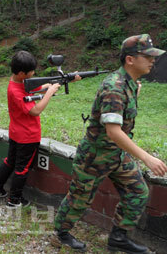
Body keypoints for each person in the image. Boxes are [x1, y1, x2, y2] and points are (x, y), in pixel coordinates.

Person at [53, 34, 167, 253]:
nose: (153, 60)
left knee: (138, 191)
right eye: (147, 56)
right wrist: (147, 157)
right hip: (95, 155)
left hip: (116, 154)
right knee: (80, 198)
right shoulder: (114, 87)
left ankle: (118, 237)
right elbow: (113, 132)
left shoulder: (130, 83)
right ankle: (61, 234)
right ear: (130, 60)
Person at [0, 50, 61, 208]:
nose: (33, 74)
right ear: (22, 73)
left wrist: (52, 84)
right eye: (31, 72)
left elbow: (30, 88)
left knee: (10, 161)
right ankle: (14, 200)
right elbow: (35, 110)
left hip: (16, 132)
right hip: (28, 136)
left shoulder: (16, 82)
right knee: (22, 168)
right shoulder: (16, 91)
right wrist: (48, 93)